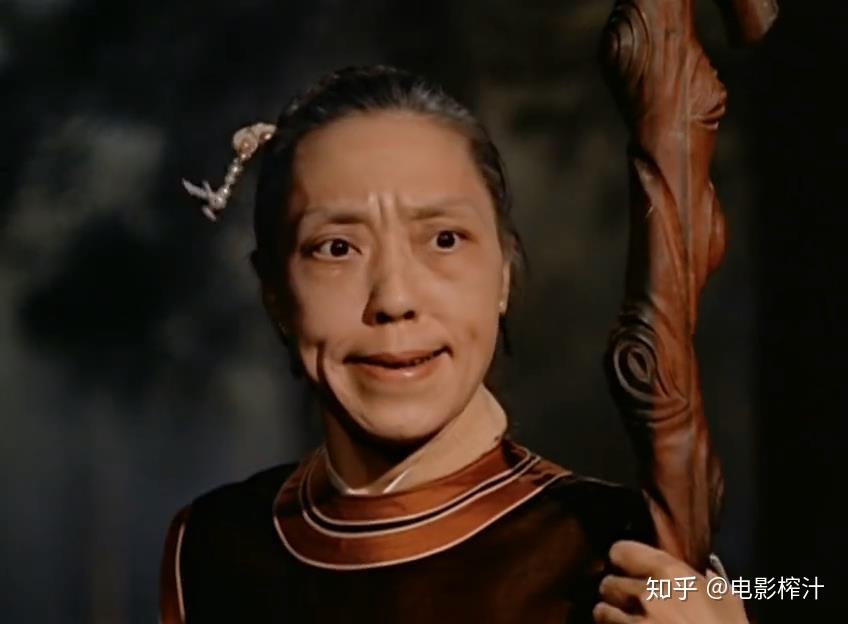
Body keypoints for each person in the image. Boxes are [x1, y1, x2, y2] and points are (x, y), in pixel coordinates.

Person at [161, 65, 746, 624]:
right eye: (337, 248)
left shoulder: (628, 552)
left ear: (503, 274)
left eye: (444, 239)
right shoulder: (212, 551)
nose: (394, 299)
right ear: (276, 296)